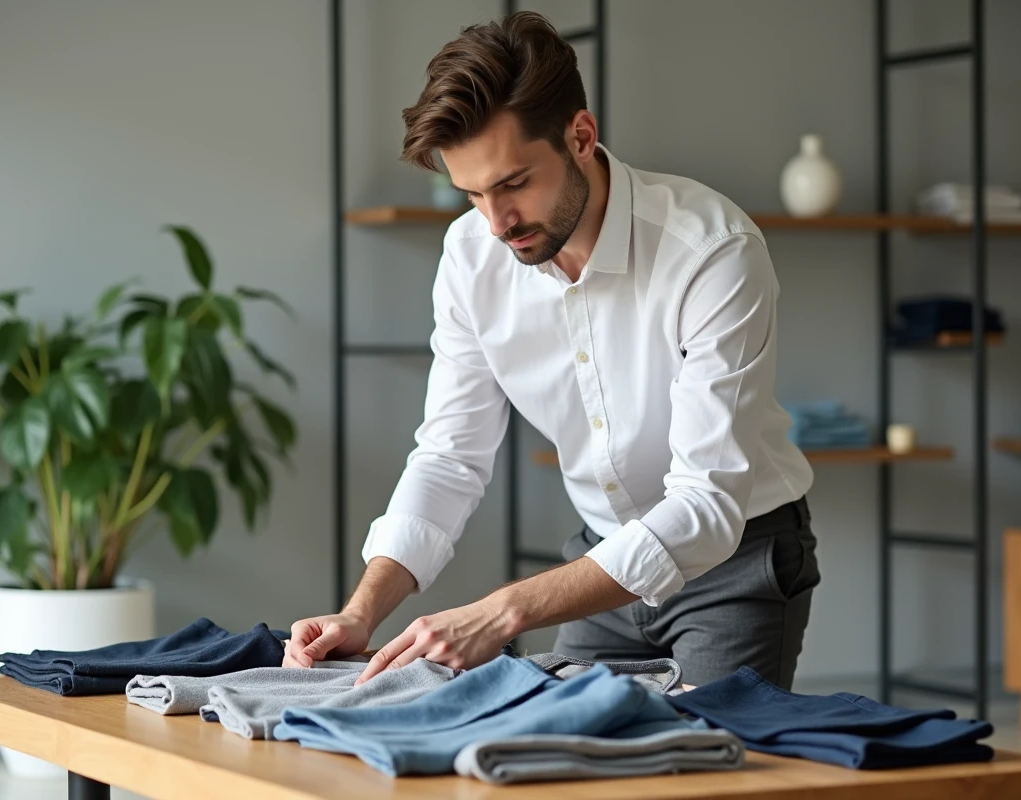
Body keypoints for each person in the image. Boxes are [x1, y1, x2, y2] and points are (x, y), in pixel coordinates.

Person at [283, 10, 820, 690]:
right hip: (599, 560)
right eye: (472, 193)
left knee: (704, 779)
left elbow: (708, 504)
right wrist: (361, 613)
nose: (496, 222)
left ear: (581, 136)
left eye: (512, 184)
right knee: (564, 764)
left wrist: (503, 611)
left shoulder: (710, 251)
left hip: (736, 563)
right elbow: (451, 455)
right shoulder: (471, 258)